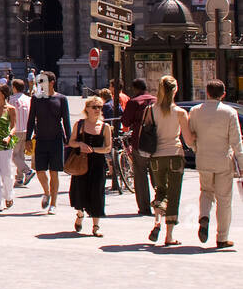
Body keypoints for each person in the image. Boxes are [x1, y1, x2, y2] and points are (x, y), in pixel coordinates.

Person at [188, 79, 241, 249]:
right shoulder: (229, 112)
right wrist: (241, 161)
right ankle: (222, 237)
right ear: (223, 94)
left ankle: (204, 216)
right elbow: (236, 142)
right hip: (223, 159)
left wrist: (196, 148)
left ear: (207, 92)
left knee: (206, 191)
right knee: (224, 199)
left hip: (203, 158)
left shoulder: (195, 111)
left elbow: (190, 137)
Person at [143, 75, 194, 246]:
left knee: (160, 191)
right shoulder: (180, 112)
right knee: (173, 195)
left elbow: (147, 134)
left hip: (156, 156)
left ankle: (157, 222)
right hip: (175, 154)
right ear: (176, 89)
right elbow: (188, 140)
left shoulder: (150, 110)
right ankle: (169, 235)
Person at [25, 71, 69, 213]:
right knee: (40, 171)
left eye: (43, 81)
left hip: (56, 139)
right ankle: (46, 192)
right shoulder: (36, 99)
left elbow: (66, 121)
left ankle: (53, 204)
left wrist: (70, 140)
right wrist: (27, 139)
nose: (40, 85)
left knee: (54, 172)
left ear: (52, 82)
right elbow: (31, 119)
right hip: (41, 139)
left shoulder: (61, 99)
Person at [67, 96, 111, 236]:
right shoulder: (79, 125)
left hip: (97, 164)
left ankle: (96, 226)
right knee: (80, 191)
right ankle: (80, 214)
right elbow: (71, 142)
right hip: (81, 163)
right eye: (94, 107)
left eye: (99, 107)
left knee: (97, 193)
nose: (97, 109)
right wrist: (80, 144)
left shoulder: (105, 127)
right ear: (87, 109)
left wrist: (93, 149)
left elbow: (108, 148)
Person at [120, 78, 158, 216]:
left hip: (139, 142)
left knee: (140, 176)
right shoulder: (155, 100)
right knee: (157, 176)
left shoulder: (134, 102)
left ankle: (144, 207)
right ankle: (160, 203)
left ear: (135, 88)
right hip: (155, 142)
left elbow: (125, 121)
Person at [9, 78, 33, 187]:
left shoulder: (11, 100)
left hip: (16, 130)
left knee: (14, 156)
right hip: (27, 130)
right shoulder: (29, 99)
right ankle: (19, 179)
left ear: (14, 88)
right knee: (21, 155)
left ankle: (28, 171)